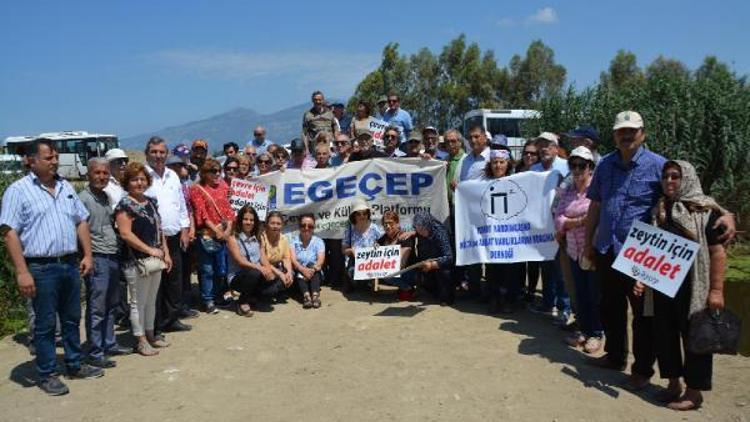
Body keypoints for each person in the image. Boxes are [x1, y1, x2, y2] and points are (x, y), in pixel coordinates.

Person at [583, 111, 736, 389]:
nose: (626, 136)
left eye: (633, 131)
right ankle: (615, 355)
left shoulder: (659, 165)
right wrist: (588, 242)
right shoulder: (604, 164)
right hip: (606, 246)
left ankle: (642, 370)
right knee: (610, 307)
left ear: (643, 133)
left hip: (641, 255)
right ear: (614, 135)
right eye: (621, 131)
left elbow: (691, 195)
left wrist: (726, 213)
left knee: (645, 316)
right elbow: (595, 204)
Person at [0, 139, 101, 395]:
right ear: (30, 160)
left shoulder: (66, 186)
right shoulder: (18, 191)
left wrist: (87, 254)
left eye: (56, 156)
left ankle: (74, 363)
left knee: (71, 318)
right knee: (45, 324)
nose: (55, 161)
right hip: (41, 268)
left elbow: (81, 222)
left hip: (68, 264)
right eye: (48, 157)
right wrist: (22, 272)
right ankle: (46, 373)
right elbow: (9, 233)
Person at [637, 160, 726, 411]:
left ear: (687, 178)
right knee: (664, 334)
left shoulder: (706, 211)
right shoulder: (660, 209)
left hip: (694, 285)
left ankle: (694, 392)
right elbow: (650, 249)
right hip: (663, 285)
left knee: (695, 337)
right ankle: (672, 384)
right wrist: (641, 278)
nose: (669, 181)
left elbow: (718, 253)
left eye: (675, 177)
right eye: (666, 177)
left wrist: (717, 290)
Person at [115, 161, 172, 356]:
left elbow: (159, 228)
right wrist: (150, 250)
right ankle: (140, 340)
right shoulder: (125, 205)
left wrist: (165, 251)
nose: (139, 183)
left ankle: (151, 335)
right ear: (127, 182)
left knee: (151, 299)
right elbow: (125, 234)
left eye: (142, 179)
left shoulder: (150, 202)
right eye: (134, 179)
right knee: (137, 302)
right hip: (136, 260)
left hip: (155, 258)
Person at [79, 158, 131, 369]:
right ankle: (95, 349)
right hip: (97, 257)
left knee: (111, 304)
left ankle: (109, 343)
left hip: (112, 254)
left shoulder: (105, 197)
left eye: (104, 173)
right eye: (97, 173)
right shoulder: (83, 199)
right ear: (88, 174)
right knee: (97, 306)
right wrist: (86, 256)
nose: (101, 177)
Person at [554, 147, 603, 353]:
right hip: (573, 250)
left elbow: (597, 218)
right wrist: (577, 222)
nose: (576, 169)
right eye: (572, 165)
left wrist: (569, 222)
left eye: (581, 165)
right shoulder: (567, 191)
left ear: (590, 167)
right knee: (579, 293)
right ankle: (584, 330)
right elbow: (558, 218)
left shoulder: (596, 190)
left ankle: (596, 333)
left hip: (591, 250)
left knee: (594, 294)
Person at [144, 137, 192, 334]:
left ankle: (172, 319)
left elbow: (180, 204)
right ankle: (155, 324)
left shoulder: (172, 175)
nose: (158, 156)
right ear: (147, 153)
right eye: (154, 152)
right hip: (153, 238)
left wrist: (185, 229)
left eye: (162, 152)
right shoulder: (143, 176)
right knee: (156, 283)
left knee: (175, 280)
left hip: (174, 235)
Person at [190, 158, 235, 314]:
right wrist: (216, 231)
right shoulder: (197, 189)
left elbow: (229, 210)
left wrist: (228, 228)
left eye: (218, 171)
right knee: (207, 269)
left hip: (223, 233)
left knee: (221, 268)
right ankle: (207, 299)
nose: (217, 174)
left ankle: (217, 295)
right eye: (213, 171)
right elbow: (201, 213)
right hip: (208, 234)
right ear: (204, 173)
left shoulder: (223, 187)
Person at [481, 149, 522, 313]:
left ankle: (508, 300)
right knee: (492, 267)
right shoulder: (483, 184)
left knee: (510, 269)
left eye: (501, 162)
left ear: (508, 164)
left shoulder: (516, 181)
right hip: (491, 234)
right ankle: (494, 297)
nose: (498, 165)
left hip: (510, 234)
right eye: (495, 162)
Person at [452, 125, 491, 295]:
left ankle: (491, 290)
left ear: (484, 137)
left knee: (490, 251)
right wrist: (457, 187)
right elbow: (457, 182)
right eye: (470, 137)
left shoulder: (493, 157)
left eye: (476, 136)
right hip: (469, 215)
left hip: (489, 213)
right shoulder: (465, 160)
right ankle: (475, 290)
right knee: (474, 250)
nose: (473, 140)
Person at [165, 155, 199, 315]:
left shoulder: (184, 186)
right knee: (174, 275)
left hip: (185, 231)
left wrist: (190, 228)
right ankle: (174, 308)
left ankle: (183, 305)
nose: (178, 168)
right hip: (171, 233)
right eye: (174, 166)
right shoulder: (166, 184)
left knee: (184, 272)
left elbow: (188, 209)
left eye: (180, 166)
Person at [226, 205, 271, 317]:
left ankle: (252, 295)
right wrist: (260, 268)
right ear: (240, 220)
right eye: (245, 219)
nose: (248, 222)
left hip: (254, 274)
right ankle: (242, 302)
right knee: (255, 273)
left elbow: (263, 257)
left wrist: (269, 270)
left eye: (251, 220)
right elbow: (240, 261)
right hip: (238, 277)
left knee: (274, 280)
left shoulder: (258, 237)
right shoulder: (233, 238)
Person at [515, 139, 541, 302]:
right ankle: (519, 288)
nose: (529, 156)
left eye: (533, 153)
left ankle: (531, 290)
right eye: (527, 153)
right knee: (519, 258)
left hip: (535, 220)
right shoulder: (516, 169)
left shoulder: (541, 172)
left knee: (533, 259)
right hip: (517, 220)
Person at [411, 211, 454, 305]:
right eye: (418, 230)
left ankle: (447, 297)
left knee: (444, 272)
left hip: (441, 264)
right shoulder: (420, 232)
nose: (420, 232)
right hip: (427, 262)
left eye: (422, 229)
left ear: (428, 225)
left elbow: (449, 257)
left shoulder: (440, 232)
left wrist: (433, 264)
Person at [341, 200, 384, 291]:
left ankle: (369, 282)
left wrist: (378, 246)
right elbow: (343, 250)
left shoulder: (374, 228)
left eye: (364, 213)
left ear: (368, 214)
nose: (362, 216)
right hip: (355, 261)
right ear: (354, 216)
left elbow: (383, 242)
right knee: (352, 274)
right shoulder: (349, 229)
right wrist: (351, 251)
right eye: (358, 214)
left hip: (372, 261)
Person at [376, 211, 416, 301]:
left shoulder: (404, 237)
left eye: (390, 223)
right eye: (385, 224)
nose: (388, 226)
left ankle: (408, 288)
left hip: (410, 272)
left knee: (385, 275)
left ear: (397, 224)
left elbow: (402, 263)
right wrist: (375, 246)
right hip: (396, 271)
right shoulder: (384, 237)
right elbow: (375, 247)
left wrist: (383, 270)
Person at [290, 214, 326, 308]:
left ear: (313, 228)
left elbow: (320, 260)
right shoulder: (293, 241)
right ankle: (306, 297)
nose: (306, 228)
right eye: (303, 225)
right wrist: (303, 270)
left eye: (310, 226)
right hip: (299, 272)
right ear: (299, 227)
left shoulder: (319, 241)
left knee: (313, 266)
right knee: (299, 271)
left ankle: (315, 296)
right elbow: (293, 260)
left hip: (314, 272)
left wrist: (311, 270)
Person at [259, 211, 294, 301]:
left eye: (278, 224)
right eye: (272, 223)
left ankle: (277, 290)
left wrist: (289, 272)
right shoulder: (261, 237)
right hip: (264, 270)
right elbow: (263, 261)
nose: (275, 226)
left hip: (277, 269)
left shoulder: (284, 238)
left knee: (291, 275)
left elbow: (286, 258)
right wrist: (280, 274)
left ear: (282, 225)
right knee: (270, 291)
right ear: (267, 224)